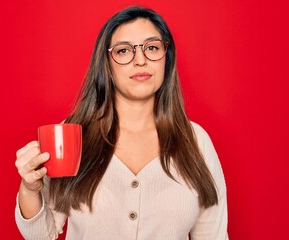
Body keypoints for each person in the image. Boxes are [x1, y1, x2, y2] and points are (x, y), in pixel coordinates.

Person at [15, 6, 228, 240]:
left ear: (166, 59)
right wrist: (29, 189)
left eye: (152, 48)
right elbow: (41, 236)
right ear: (106, 63)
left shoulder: (196, 141)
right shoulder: (74, 134)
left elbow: (213, 236)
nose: (140, 60)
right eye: (124, 51)